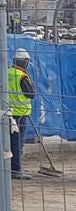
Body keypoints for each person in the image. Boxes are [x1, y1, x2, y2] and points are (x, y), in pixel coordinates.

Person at [8, 49, 36, 180]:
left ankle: (7, 168)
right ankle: (16, 170)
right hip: (20, 114)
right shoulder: (22, 76)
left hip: (6, 113)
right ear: (25, 62)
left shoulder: (6, 72)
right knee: (17, 143)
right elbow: (30, 94)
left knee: (7, 142)